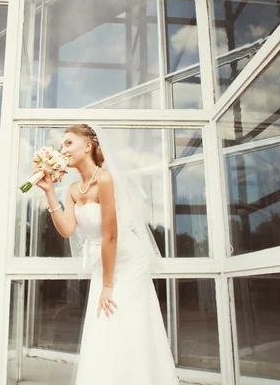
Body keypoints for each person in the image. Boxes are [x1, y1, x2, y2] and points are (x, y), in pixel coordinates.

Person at [34, 124, 179, 384]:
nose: (62, 149)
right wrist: (50, 193)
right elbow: (67, 230)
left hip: (129, 261)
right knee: (103, 327)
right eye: (61, 145)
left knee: (124, 322)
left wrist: (108, 285)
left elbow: (111, 234)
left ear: (87, 146)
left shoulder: (104, 178)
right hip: (105, 264)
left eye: (68, 143)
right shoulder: (72, 190)